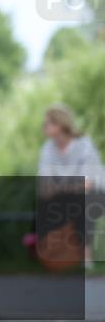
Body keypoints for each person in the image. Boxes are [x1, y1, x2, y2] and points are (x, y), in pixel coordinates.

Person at [37, 104, 105, 269]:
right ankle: (54, 254)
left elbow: (87, 184)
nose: (43, 127)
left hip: (95, 194)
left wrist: (60, 186)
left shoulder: (83, 145)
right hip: (66, 196)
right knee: (46, 203)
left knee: (83, 201)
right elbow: (44, 187)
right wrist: (69, 185)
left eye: (47, 123)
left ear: (60, 125)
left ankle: (86, 254)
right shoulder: (47, 149)